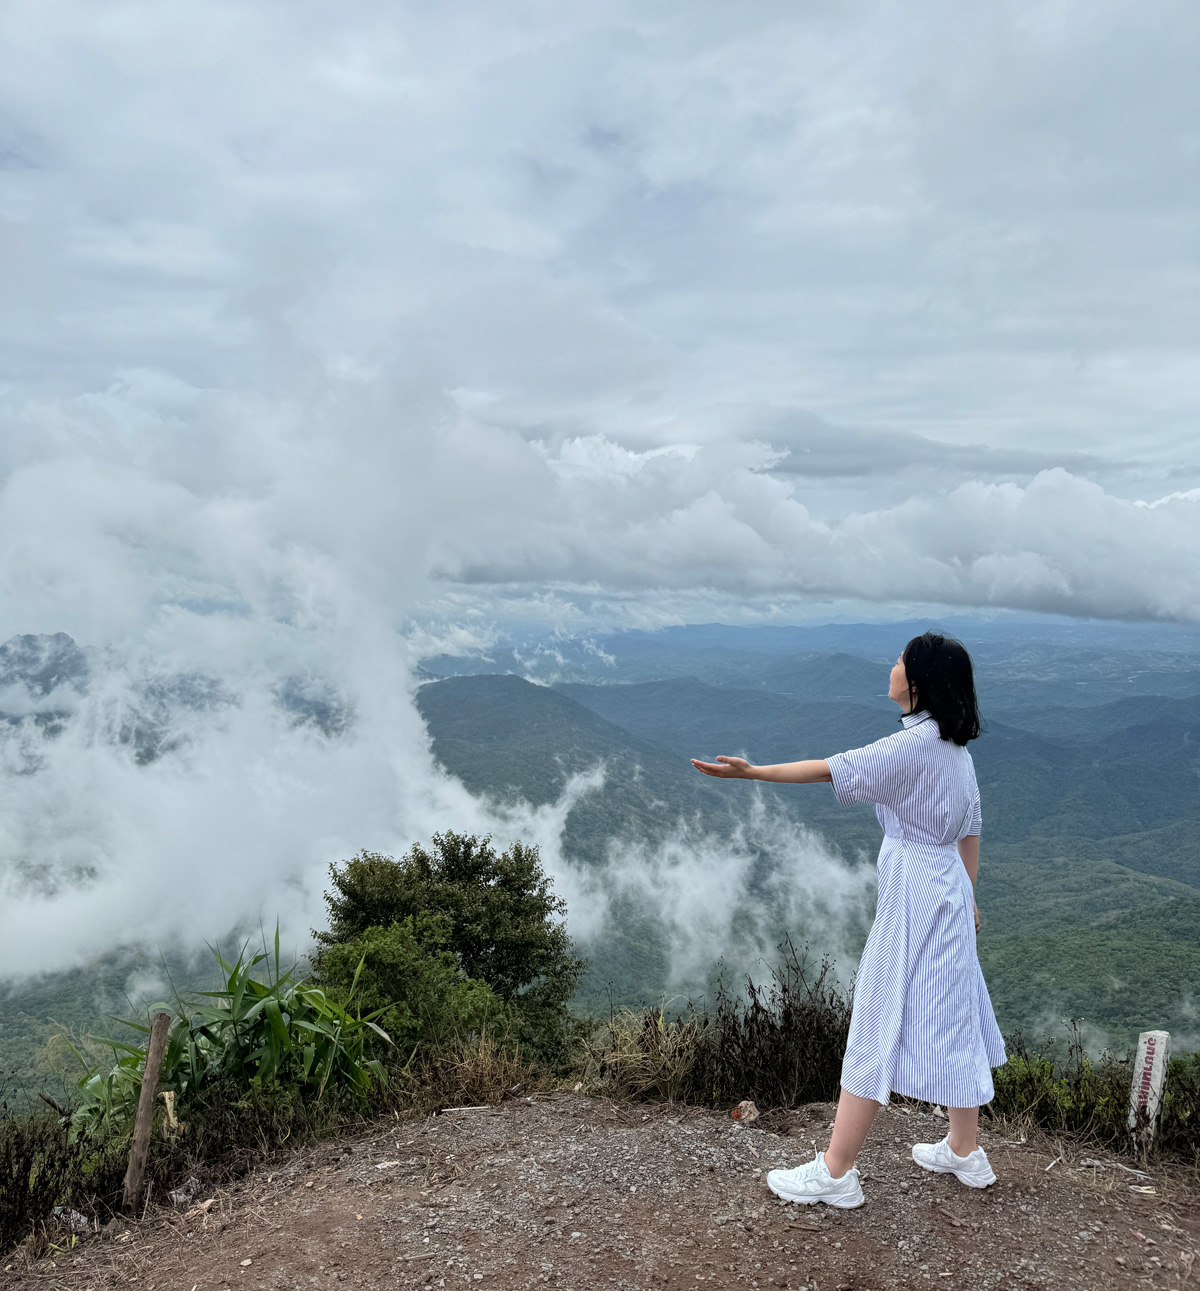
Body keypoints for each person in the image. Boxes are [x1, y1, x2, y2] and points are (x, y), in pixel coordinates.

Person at [691, 631, 1006, 1208]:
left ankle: (836, 1173)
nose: (890, 668)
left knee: (875, 1017)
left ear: (916, 682)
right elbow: (971, 828)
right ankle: (964, 1150)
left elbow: (831, 770)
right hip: (947, 892)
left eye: (899, 662)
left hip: (914, 894)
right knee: (956, 1012)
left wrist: (752, 773)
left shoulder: (913, 747)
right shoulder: (955, 749)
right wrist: (970, 897)